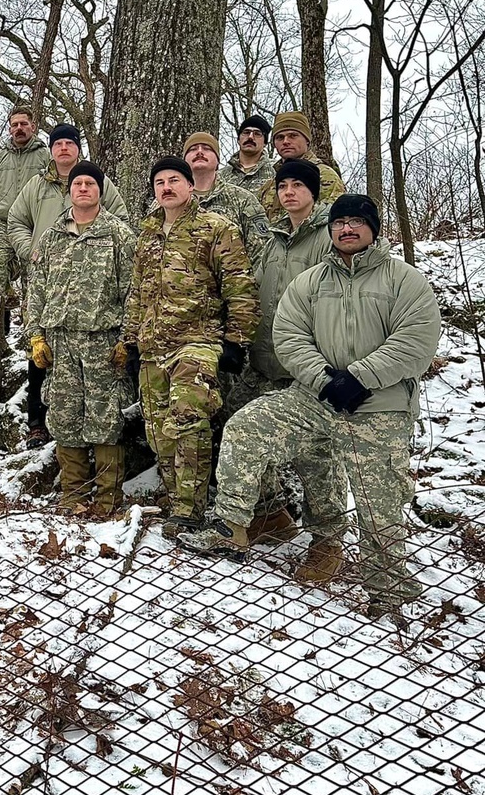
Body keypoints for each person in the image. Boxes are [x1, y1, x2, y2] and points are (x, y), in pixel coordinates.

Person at [180, 195, 441, 624]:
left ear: (373, 228)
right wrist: (325, 380)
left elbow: (415, 341)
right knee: (248, 425)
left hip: (380, 406)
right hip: (315, 397)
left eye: (358, 221)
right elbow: (289, 335)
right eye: (340, 223)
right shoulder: (311, 282)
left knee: (380, 504)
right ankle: (232, 526)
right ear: (331, 230)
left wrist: (358, 378)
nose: (347, 229)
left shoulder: (404, 280)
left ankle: (387, 587)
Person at [122, 156, 260, 537]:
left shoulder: (217, 228)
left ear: (190, 185)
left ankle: (189, 509)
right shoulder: (147, 234)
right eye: (159, 182)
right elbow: (137, 294)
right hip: (153, 346)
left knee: (188, 421)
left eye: (174, 181)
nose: (166, 188)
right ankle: (175, 497)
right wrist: (132, 342)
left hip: (196, 343)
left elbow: (240, 287)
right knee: (157, 430)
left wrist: (236, 341)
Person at [220, 158, 333, 544]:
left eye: (297, 186)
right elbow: (256, 289)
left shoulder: (328, 239)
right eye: (283, 186)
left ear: (313, 192)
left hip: (307, 366)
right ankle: (270, 515)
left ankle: (326, 540)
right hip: (264, 358)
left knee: (314, 456)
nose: (288, 192)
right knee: (239, 424)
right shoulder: (272, 238)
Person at [9, 122, 129, 447]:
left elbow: (121, 221)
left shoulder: (98, 181)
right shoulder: (36, 185)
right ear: (51, 149)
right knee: (40, 352)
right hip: (49, 283)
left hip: (94, 294)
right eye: (58, 143)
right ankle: (38, 422)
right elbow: (15, 220)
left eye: (69, 143)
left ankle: (95, 431)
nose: (63, 148)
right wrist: (31, 249)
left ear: (78, 148)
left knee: (95, 374)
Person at [26, 163, 136, 516]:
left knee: (106, 419)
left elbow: (132, 292)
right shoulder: (52, 235)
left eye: (91, 183)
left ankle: (107, 499)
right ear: (69, 190)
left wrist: (127, 340)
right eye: (78, 183)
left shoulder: (119, 235)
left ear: (100, 191)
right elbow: (36, 289)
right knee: (64, 416)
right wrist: (35, 336)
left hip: (103, 342)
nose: (84, 188)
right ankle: (73, 495)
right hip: (59, 343)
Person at [0, 104, 49, 332]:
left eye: (23, 124)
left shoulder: (45, 156)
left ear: (33, 127)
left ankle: (33, 331)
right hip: (2, 224)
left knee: (35, 276)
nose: (19, 129)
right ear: (9, 129)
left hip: (34, 225)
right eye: (14, 125)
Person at [176, 132, 269, 270]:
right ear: (184, 160)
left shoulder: (243, 199)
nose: (200, 152)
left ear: (218, 160)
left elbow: (262, 253)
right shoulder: (169, 201)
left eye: (207, 148)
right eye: (193, 149)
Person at [258, 112, 345, 220]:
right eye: (280, 137)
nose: (285, 142)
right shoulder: (270, 183)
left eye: (293, 136)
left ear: (307, 140)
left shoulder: (324, 175)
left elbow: (336, 220)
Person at [218, 115, 275, 195]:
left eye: (257, 133)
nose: (250, 137)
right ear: (238, 140)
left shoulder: (276, 170)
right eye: (246, 132)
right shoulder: (220, 176)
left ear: (265, 142)